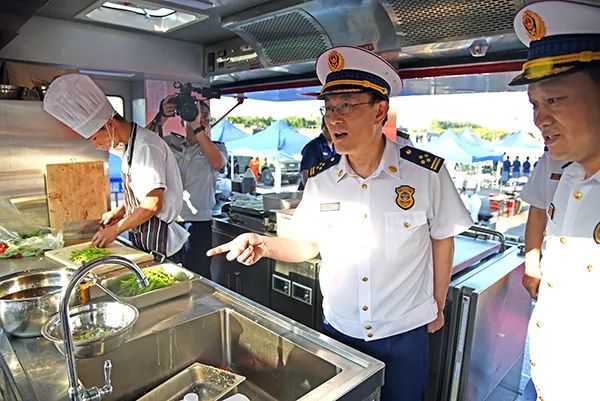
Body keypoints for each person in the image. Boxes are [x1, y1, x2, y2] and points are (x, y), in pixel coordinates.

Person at [207, 45, 472, 401]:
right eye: (330, 107)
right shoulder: (322, 180)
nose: (334, 118)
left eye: (347, 105)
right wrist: (264, 244)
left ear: (380, 110)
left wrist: (437, 305)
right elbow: (306, 243)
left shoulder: (426, 174)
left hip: (404, 333)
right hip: (340, 331)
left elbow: (443, 239)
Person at [508, 1, 600, 399]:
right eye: (535, 104)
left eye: (555, 100)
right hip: (547, 382)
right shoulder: (569, 171)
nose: (539, 119)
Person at [43, 74, 188, 258]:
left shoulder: (147, 146)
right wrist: (119, 211)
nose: (96, 145)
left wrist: (115, 231)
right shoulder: (131, 146)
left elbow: (153, 204)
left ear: (110, 125)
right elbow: (140, 195)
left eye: (95, 138)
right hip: (145, 239)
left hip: (162, 244)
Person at [148, 95, 227, 278]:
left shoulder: (217, 148)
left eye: (206, 116)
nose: (203, 120)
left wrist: (197, 126)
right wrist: (161, 117)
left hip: (198, 223)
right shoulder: (170, 143)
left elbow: (217, 163)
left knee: (199, 275)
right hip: (170, 221)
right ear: (182, 118)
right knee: (169, 273)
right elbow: (146, 142)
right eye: (198, 115)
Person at [519, 150, 568, 299]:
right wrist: (532, 266)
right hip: (552, 271)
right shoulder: (552, 157)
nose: (542, 125)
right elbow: (538, 212)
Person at [298, 117, 335, 190]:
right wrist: (309, 192)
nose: (333, 131)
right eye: (330, 128)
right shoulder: (314, 146)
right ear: (323, 128)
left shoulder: (336, 147)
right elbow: (305, 172)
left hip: (326, 189)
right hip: (312, 191)